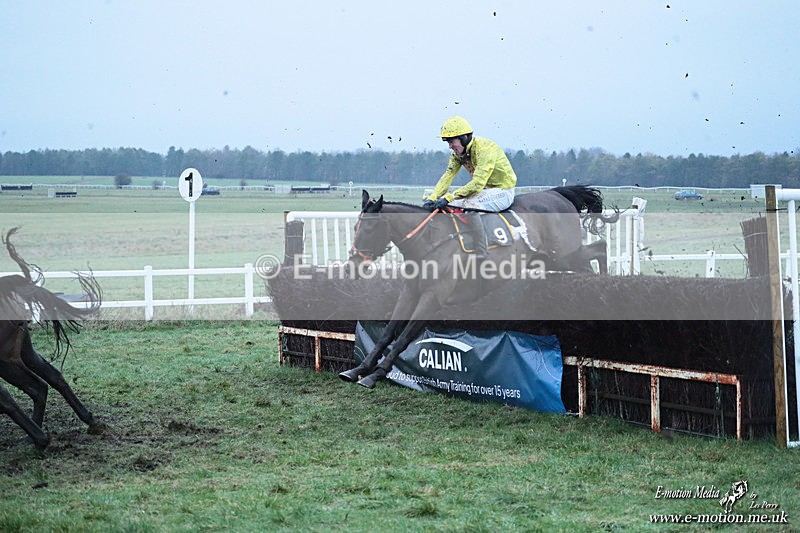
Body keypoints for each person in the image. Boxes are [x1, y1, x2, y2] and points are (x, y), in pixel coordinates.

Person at [423, 116, 517, 259]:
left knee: (470, 205)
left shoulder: (484, 149)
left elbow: (478, 183)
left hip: (503, 191)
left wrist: (450, 196)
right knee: (445, 206)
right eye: (448, 142)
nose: (450, 146)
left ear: (464, 137)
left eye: (452, 141)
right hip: (484, 192)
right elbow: (448, 176)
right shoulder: (457, 154)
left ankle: (482, 251)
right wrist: (433, 197)